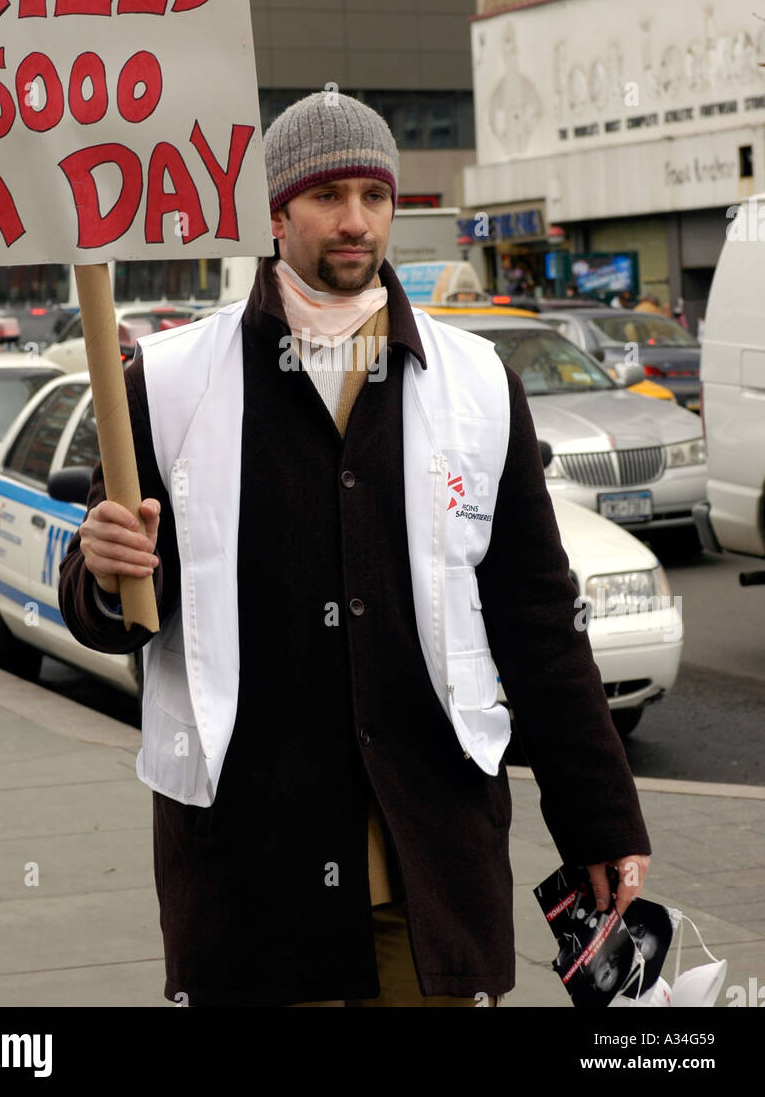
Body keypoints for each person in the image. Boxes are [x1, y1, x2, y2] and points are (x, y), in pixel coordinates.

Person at [58, 92, 651, 1009]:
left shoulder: (477, 384)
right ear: (275, 214)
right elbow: (107, 612)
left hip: (430, 873)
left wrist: (600, 819)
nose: (355, 220)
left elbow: (537, 618)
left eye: (375, 196)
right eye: (328, 194)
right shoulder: (167, 383)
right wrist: (103, 574)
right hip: (250, 881)